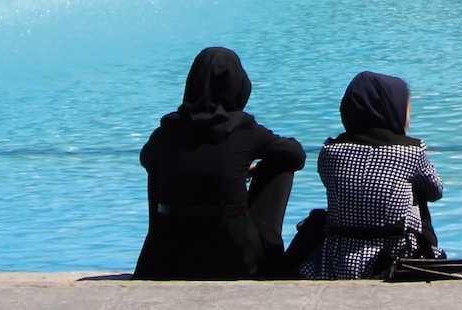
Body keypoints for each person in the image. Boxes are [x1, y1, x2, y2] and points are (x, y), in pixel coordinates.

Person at [133, 47, 304, 280]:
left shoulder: (167, 131)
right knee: (281, 166)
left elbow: (146, 159)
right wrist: (256, 168)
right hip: (234, 258)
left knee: (158, 163)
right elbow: (296, 155)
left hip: (168, 258)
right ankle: (270, 254)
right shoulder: (243, 129)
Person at [294, 71, 444, 279]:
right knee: (417, 195)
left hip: (337, 259)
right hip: (396, 257)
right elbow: (435, 191)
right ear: (392, 109)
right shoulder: (411, 151)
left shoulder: (330, 151)